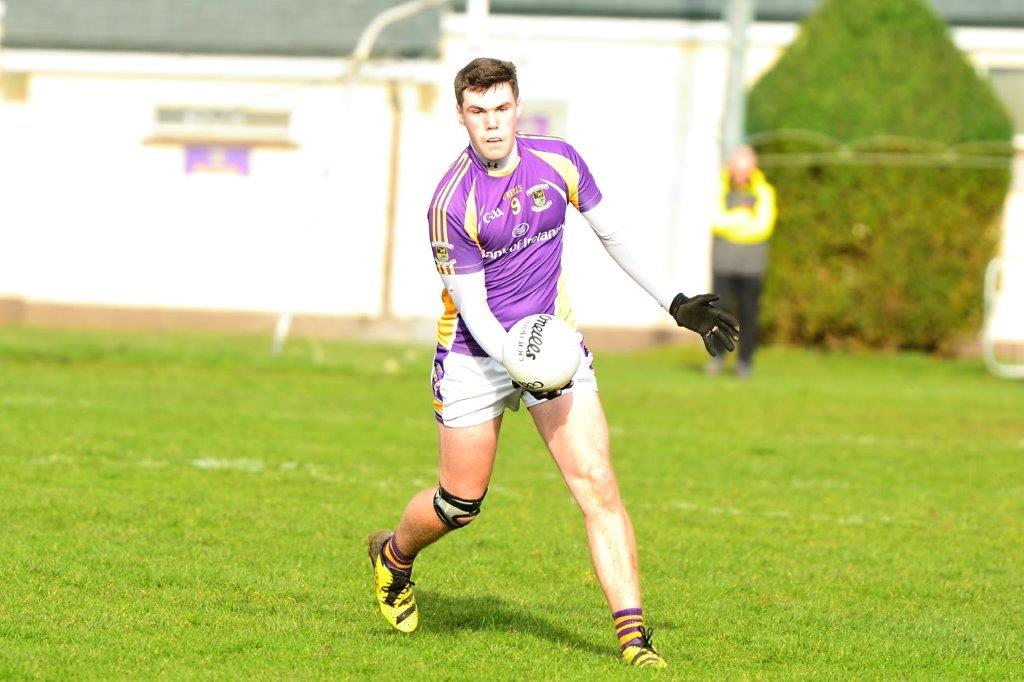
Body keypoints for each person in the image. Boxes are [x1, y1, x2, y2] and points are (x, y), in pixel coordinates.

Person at [367, 57, 739, 669]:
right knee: (460, 503)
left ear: (518, 107)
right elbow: (473, 306)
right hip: (473, 354)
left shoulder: (558, 160)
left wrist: (675, 302)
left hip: (553, 342)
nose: (492, 123)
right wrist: (518, 362)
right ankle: (395, 557)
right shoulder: (449, 201)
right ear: (461, 115)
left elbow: (612, 231)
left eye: (502, 108)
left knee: (598, 485)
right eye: (478, 112)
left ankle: (634, 641)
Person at [708, 144, 777, 378]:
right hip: (723, 262)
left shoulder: (764, 191)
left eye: (744, 170)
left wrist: (732, 223)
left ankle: (745, 362)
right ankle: (717, 357)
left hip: (752, 264)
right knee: (719, 311)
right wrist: (744, 216)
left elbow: (763, 227)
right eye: (737, 169)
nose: (740, 175)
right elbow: (716, 220)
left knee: (749, 312)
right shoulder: (718, 188)